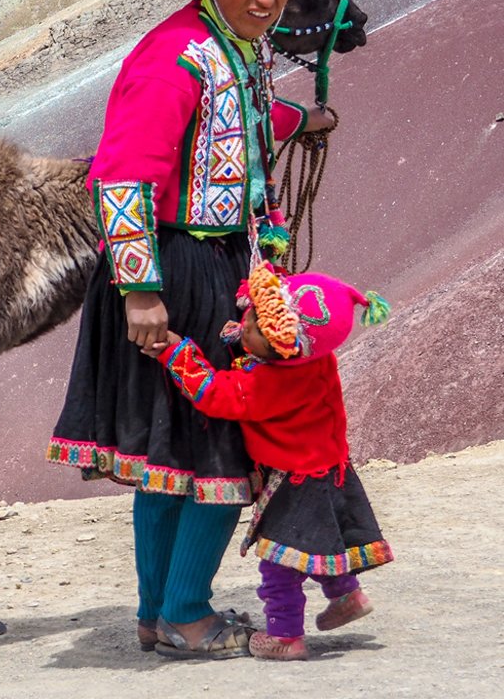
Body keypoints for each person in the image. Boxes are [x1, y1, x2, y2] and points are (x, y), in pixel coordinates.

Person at [47, 0, 343, 660]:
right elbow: (122, 177)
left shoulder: (231, 49)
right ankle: (187, 613)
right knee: (224, 449)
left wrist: (300, 120)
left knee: (172, 456)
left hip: (214, 260)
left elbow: (236, 121)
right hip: (176, 269)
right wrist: (141, 291)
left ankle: (158, 614)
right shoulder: (175, 56)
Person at [149, 261, 394, 660]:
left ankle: (286, 637)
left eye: (262, 332)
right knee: (320, 542)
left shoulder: (272, 381)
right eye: (255, 316)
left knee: (280, 564)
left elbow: (216, 394)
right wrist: (246, 338)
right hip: (328, 468)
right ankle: (347, 595)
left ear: (287, 350)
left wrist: (177, 353)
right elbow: (256, 349)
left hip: (293, 483)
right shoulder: (314, 360)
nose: (248, 328)